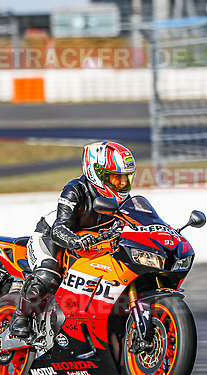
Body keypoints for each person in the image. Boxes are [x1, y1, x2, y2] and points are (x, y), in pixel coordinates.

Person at [9, 141, 137, 338]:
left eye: (125, 179)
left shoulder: (126, 201)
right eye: (115, 178)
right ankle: (21, 318)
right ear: (97, 173)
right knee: (48, 274)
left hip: (92, 244)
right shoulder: (75, 190)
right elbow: (60, 228)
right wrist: (77, 241)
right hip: (51, 237)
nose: (121, 185)